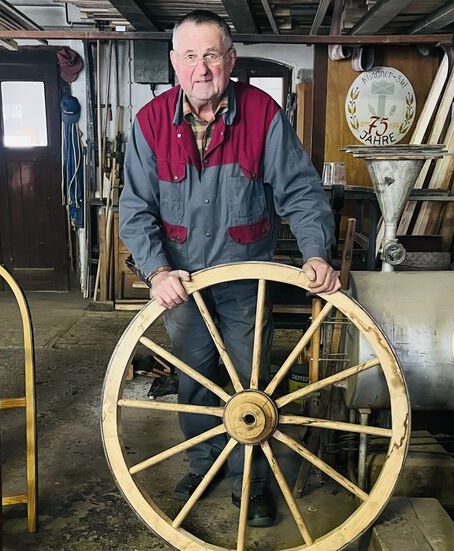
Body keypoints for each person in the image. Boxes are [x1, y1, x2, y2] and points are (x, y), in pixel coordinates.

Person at [119, 10, 339, 527]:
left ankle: (251, 481)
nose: (201, 68)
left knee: (251, 384)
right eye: (190, 57)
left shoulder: (262, 115)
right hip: (183, 284)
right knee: (195, 381)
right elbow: (134, 210)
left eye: (211, 56)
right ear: (174, 63)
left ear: (230, 61)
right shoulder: (149, 125)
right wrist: (156, 271)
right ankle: (204, 465)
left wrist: (314, 253)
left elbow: (302, 194)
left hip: (246, 281)